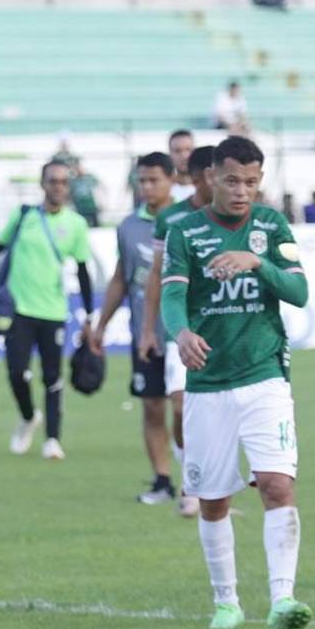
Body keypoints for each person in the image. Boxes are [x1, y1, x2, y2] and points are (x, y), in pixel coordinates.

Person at [160, 135, 309, 629]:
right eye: (231, 180)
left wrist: (257, 263)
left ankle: (282, 600)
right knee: (214, 498)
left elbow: (300, 291)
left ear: (259, 181)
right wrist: (179, 332)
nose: (242, 190)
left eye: (250, 181)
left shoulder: (272, 225)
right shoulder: (185, 233)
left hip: (265, 375)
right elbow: (173, 296)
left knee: (276, 484)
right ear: (211, 178)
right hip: (209, 384)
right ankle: (226, 602)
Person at [90, 153, 188, 507]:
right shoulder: (128, 226)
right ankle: (163, 480)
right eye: (141, 181)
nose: (147, 187)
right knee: (151, 408)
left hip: (182, 333)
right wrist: (100, 324)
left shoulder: (187, 219)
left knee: (183, 407)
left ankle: (194, 478)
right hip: (144, 332)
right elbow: (122, 276)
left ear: (171, 180)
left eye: (154, 180)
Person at [0, 162, 94, 460]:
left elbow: (83, 272)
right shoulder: (24, 215)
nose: (58, 187)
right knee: (17, 372)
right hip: (17, 309)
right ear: (42, 184)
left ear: (68, 187)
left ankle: (53, 439)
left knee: (53, 377)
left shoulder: (76, 224)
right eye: (52, 181)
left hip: (54, 311)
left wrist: (89, 316)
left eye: (63, 182)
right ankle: (29, 416)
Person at [139, 144, 215, 519]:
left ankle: (211, 488)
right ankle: (191, 484)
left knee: (219, 413)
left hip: (227, 328)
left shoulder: (242, 217)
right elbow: (157, 275)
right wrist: (148, 329)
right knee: (181, 406)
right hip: (181, 329)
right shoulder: (171, 219)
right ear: (198, 178)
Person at [68, 160, 102, 228]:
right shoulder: (73, 181)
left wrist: (101, 202)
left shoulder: (90, 177)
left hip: (91, 207)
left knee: (96, 227)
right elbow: (70, 195)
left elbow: (100, 189)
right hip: (80, 209)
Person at [168, 129, 196, 202]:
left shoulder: (207, 188)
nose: (184, 156)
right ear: (170, 154)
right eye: (177, 151)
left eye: (188, 150)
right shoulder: (164, 191)